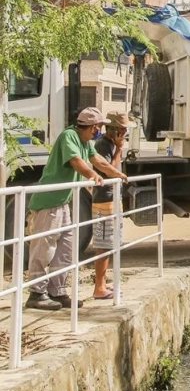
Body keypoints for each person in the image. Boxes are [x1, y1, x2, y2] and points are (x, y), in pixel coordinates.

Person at [25, 107, 128, 311]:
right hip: (49, 201)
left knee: (66, 247)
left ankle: (57, 290)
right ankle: (36, 292)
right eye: (98, 127)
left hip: (63, 201)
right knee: (44, 247)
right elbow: (77, 161)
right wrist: (92, 175)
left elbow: (98, 160)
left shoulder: (85, 142)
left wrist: (117, 174)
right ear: (92, 127)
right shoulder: (69, 136)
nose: (99, 131)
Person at [91, 112, 129, 300]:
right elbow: (110, 171)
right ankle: (99, 287)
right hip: (104, 199)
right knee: (103, 245)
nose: (125, 133)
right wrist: (119, 150)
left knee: (111, 243)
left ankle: (104, 283)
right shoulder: (103, 145)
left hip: (113, 198)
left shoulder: (111, 145)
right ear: (116, 130)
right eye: (123, 130)